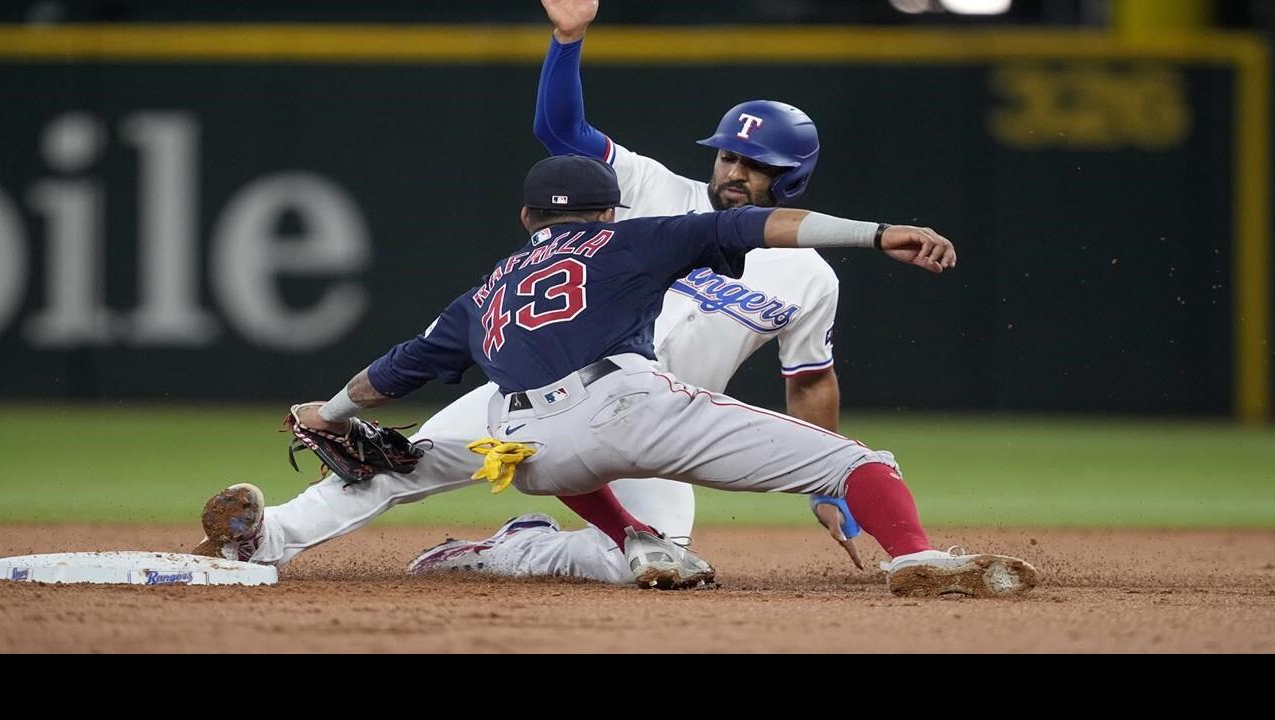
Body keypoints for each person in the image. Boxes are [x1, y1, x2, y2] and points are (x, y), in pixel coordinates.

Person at [206, 153, 1035, 598]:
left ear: (527, 219)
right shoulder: (637, 238)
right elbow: (754, 221)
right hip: (627, 408)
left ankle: (270, 536)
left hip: (521, 444)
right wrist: (876, 231)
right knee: (857, 463)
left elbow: (399, 370)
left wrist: (329, 409)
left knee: (397, 459)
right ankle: (911, 559)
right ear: (608, 211)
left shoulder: (487, 287)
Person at [405, 0, 889, 582]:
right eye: (727, 155)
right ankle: (274, 530)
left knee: (656, 558)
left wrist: (824, 485)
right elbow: (560, 130)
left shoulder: (811, 277)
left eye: (754, 164)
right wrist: (568, 39)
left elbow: (810, 380)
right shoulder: (649, 187)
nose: (733, 170)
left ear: (790, 178)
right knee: (406, 464)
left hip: (664, 428)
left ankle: (512, 548)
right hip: (553, 392)